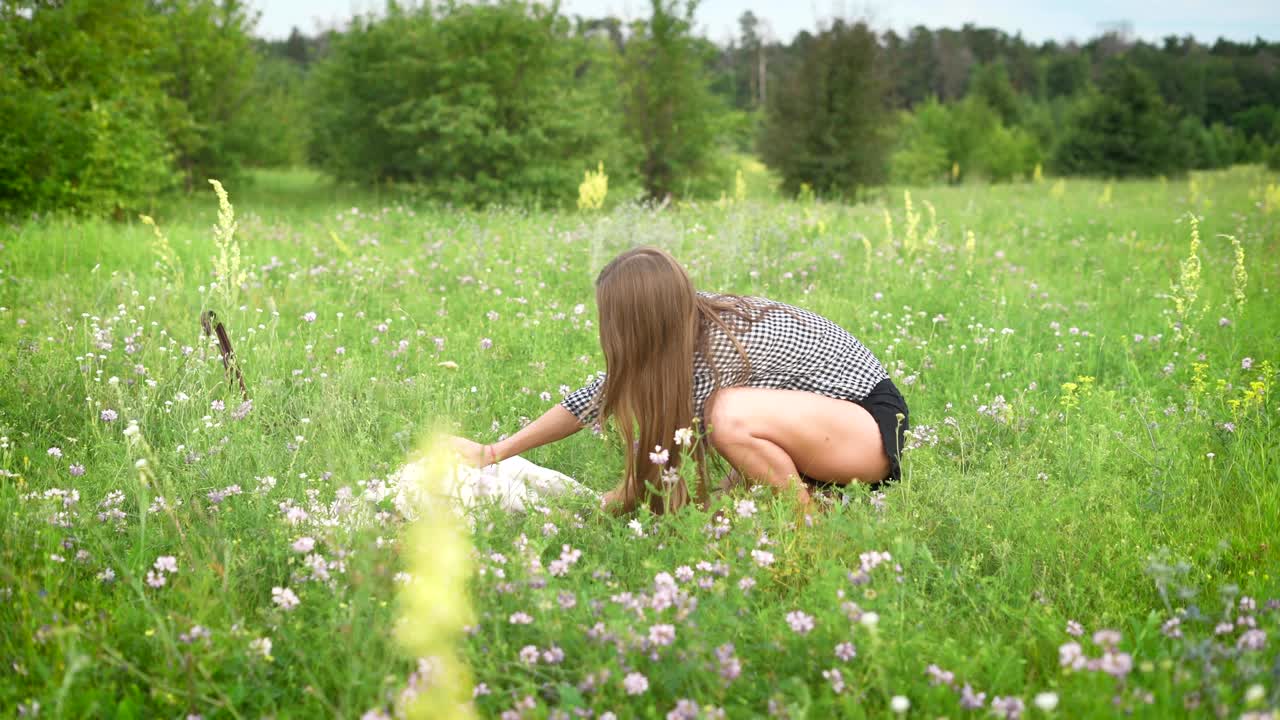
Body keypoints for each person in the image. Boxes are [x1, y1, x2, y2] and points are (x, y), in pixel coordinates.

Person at [449, 246, 908, 515]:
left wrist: (598, 510)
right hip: (826, 435)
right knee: (720, 514)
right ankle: (818, 505)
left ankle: (805, 528)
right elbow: (598, 395)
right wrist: (494, 452)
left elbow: (655, 464)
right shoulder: (679, 327)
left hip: (868, 430)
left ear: (637, 321)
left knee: (726, 415)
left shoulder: (718, 345)